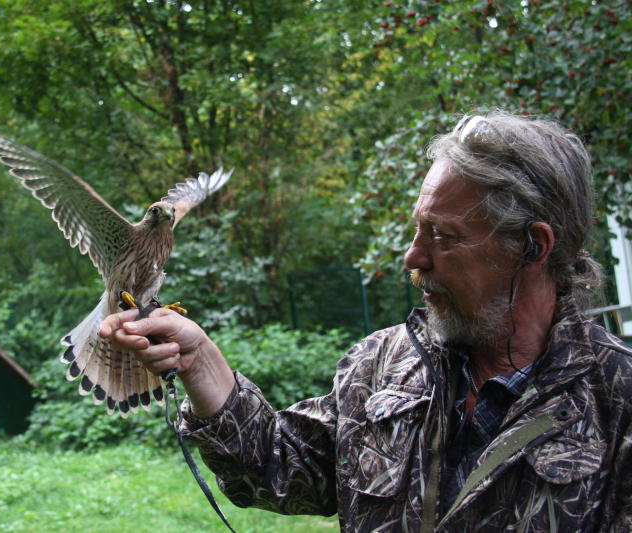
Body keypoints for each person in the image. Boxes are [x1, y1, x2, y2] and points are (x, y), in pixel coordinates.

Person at [100, 111, 632, 532]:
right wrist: (200, 362)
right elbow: (282, 467)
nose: (412, 257)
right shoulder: (379, 366)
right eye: (417, 229)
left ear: (532, 246)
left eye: (442, 236)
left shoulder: (617, 402)